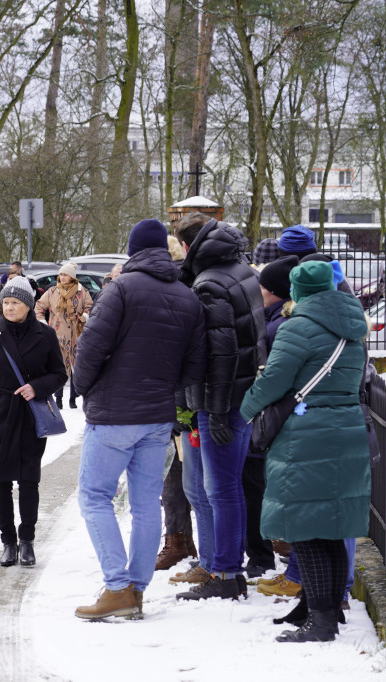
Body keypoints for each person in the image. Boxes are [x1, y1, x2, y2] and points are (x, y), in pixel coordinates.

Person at [72, 219, 206, 619]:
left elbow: (91, 347)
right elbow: (194, 366)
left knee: (94, 497)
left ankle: (117, 588)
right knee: (146, 504)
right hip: (158, 415)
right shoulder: (187, 296)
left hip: (115, 413)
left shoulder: (121, 289)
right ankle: (137, 590)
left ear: (133, 250)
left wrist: (82, 386)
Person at [240, 261, 370, 642]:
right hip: (345, 431)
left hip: (307, 436)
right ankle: (322, 608)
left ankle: (322, 622)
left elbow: (275, 381)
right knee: (329, 529)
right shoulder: (353, 326)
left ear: (297, 291)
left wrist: (246, 408)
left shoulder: (297, 327)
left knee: (305, 529)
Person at [174, 212, 266, 601]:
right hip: (242, 397)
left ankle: (226, 573)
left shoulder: (210, 284)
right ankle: (231, 569)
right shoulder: (240, 270)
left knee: (222, 491)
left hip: (222, 402)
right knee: (231, 489)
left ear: (187, 246)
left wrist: (213, 412)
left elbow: (221, 354)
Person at [0, 276, 67, 568]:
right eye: (5, 302)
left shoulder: (45, 334)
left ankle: (27, 540)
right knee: (1, 481)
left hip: (29, 415)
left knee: (29, 480)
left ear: (28, 305)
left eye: (15, 303)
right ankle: (8, 541)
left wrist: (37, 387)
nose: (8, 307)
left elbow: (59, 374)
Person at [240, 255, 300, 577]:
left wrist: (248, 408)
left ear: (274, 292)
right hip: (278, 419)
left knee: (255, 488)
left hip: (269, 420)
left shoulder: (277, 327)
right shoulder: (275, 320)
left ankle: (261, 556)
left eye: (261, 287)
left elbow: (270, 379)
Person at [156, 235, 199, 571]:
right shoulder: (194, 283)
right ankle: (181, 541)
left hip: (178, 396)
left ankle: (179, 541)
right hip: (185, 395)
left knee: (176, 475)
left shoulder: (175, 289)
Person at [35, 262, 92, 409]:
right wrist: (44, 324)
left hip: (77, 335)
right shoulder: (53, 291)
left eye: (65, 274)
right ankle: (58, 398)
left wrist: (84, 316)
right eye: (60, 274)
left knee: (76, 368)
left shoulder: (82, 292)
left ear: (72, 277)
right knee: (59, 366)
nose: (62, 277)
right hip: (57, 335)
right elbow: (39, 307)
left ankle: (73, 398)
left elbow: (90, 307)